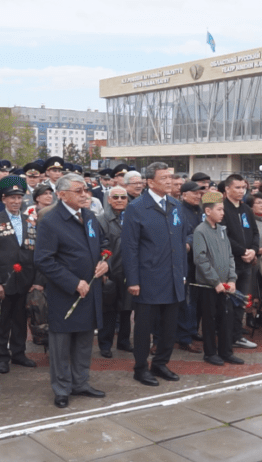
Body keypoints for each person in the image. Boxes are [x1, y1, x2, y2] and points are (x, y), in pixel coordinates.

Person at [34, 173, 109, 408]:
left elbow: (103, 244)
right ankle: (62, 388)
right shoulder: (50, 220)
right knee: (61, 344)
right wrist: (72, 282)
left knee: (85, 341)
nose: (84, 194)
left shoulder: (89, 216)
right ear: (61, 194)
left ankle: (81, 382)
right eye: (78, 191)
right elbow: (44, 260)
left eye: (85, 189)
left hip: (90, 290)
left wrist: (105, 260)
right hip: (65, 293)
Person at [121, 162, 187, 387]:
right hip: (148, 277)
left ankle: (161, 363)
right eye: (164, 178)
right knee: (143, 328)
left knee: (169, 327)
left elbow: (180, 240)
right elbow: (129, 247)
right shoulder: (137, 207)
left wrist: (183, 274)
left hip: (173, 277)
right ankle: (141, 368)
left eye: (171, 176)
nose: (170, 181)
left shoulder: (176, 205)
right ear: (150, 182)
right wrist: (133, 280)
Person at [0, 176, 38, 374]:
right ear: (3, 199)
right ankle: (2, 356)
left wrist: (35, 280)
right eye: (12, 198)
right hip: (3, 282)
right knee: (1, 320)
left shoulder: (30, 221)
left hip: (25, 280)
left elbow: (35, 251)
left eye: (19, 197)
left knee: (21, 319)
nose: (16, 202)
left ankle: (19, 353)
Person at [191, 191, 242, 365]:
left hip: (226, 284)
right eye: (219, 209)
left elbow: (229, 256)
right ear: (207, 211)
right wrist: (215, 281)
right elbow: (200, 259)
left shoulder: (222, 230)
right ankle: (210, 352)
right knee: (210, 319)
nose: (222, 212)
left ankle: (226, 351)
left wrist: (232, 279)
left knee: (226, 318)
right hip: (208, 286)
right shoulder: (200, 231)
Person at [220, 174, 259, 350]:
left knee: (242, 302)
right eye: (237, 187)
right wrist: (242, 251)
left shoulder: (246, 209)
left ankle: (237, 335)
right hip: (231, 263)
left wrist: (253, 250)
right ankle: (226, 337)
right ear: (227, 189)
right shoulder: (222, 209)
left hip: (247, 263)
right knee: (228, 303)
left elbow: (255, 233)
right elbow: (224, 236)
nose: (241, 191)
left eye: (243, 188)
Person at [96, 186, 131, 358]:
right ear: (109, 200)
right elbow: (99, 248)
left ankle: (124, 341)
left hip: (129, 272)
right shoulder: (101, 220)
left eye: (123, 197)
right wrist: (104, 271)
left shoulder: (132, 218)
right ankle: (105, 344)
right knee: (108, 310)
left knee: (127, 309)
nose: (119, 200)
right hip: (110, 272)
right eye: (115, 197)